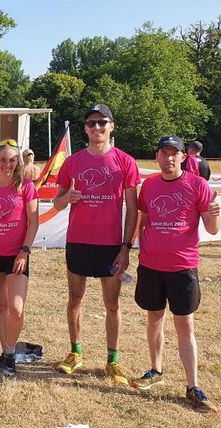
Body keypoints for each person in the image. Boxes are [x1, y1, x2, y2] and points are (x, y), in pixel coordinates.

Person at [130, 136, 221, 413]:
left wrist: (215, 213)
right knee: (154, 318)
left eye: (174, 153)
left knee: (185, 325)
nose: (168, 158)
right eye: (163, 153)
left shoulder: (197, 185)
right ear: (157, 156)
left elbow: (213, 228)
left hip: (183, 266)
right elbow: (143, 221)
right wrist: (131, 248)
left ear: (184, 157)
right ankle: (155, 369)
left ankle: (193, 386)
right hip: (150, 265)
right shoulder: (149, 186)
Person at [52, 104, 140, 384]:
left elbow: (133, 209)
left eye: (102, 122)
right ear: (86, 129)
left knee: (112, 304)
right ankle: (75, 352)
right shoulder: (72, 162)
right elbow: (56, 202)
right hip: (78, 241)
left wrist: (126, 246)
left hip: (111, 244)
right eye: (91, 123)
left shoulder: (125, 162)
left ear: (112, 126)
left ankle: (112, 361)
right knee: (75, 299)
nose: (97, 128)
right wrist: (67, 199)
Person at [0, 140, 39, 377]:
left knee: (15, 308)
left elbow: (33, 221)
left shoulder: (26, 187)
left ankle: (11, 352)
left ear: (18, 162)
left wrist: (24, 250)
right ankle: (6, 353)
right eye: (3, 159)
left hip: (17, 256)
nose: (8, 165)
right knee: (0, 306)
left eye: (12, 160)